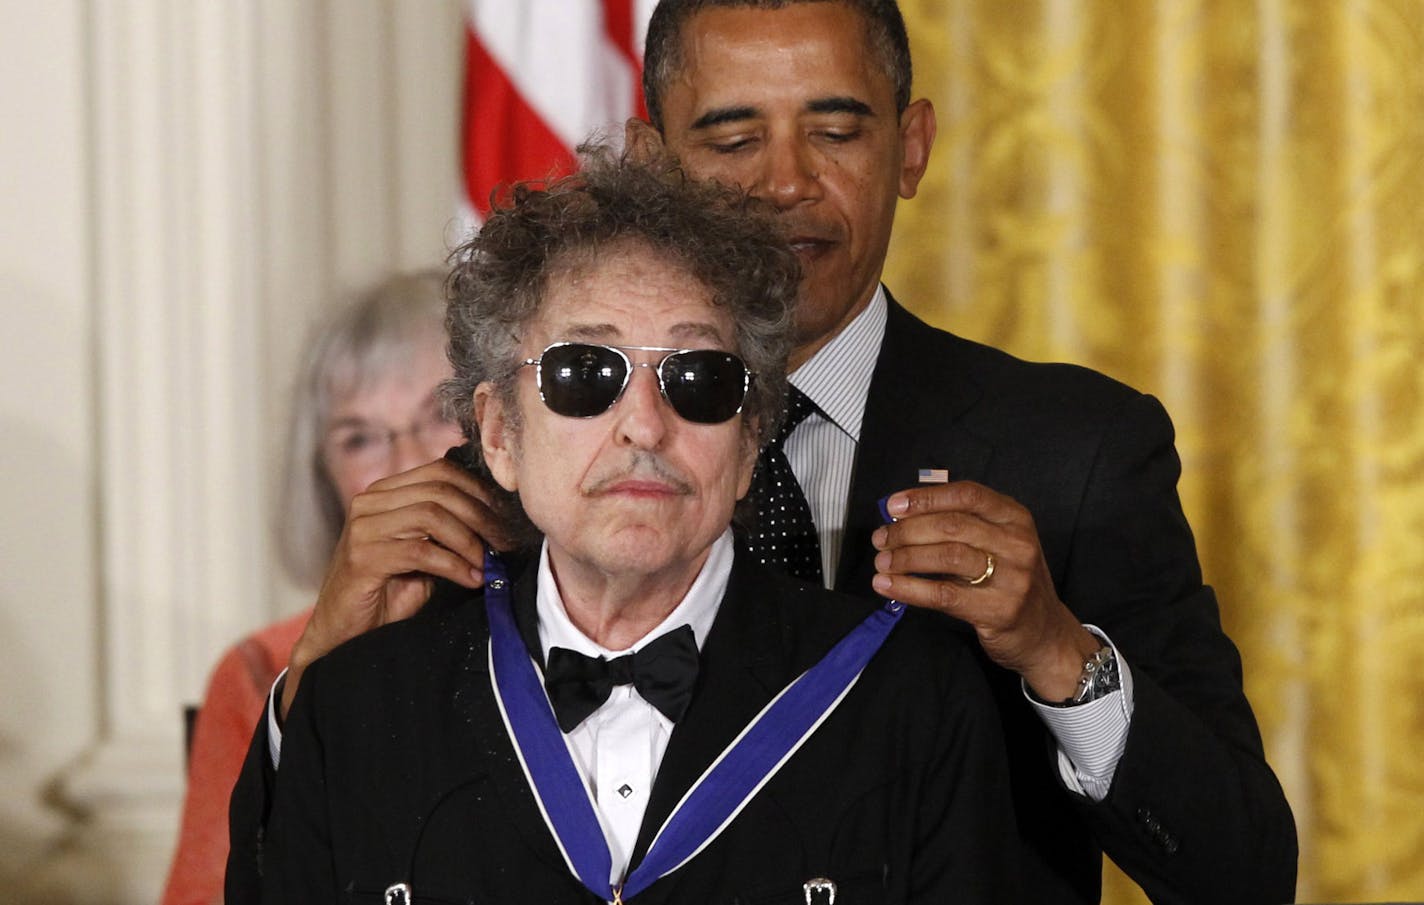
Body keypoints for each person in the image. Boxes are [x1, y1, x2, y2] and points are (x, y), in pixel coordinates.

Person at [232, 2, 1298, 902]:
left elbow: (1243, 870)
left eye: (834, 132)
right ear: (650, 157)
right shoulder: (510, 479)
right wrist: (319, 666)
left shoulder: (1073, 450)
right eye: (733, 139)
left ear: (911, 145)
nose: (783, 183)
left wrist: (1058, 651)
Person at [241, 151, 1020, 903]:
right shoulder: (358, 710)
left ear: (750, 440)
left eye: (698, 378)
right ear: (500, 434)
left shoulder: (908, 701)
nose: (645, 426)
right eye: (586, 373)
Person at [159, 272, 464, 905]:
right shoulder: (261, 671)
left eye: (439, 414)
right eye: (360, 438)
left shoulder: (592, 630)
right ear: (322, 479)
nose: (406, 463)